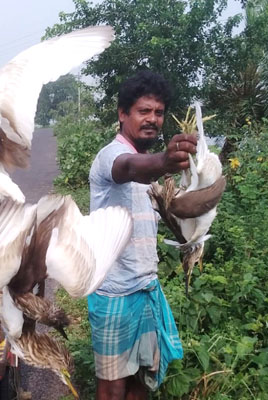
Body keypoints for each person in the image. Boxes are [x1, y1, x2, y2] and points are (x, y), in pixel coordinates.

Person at [88, 71, 197, 400]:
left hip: (146, 287)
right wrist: (165, 160)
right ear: (122, 114)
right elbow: (130, 167)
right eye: (143, 111)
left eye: (159, 113)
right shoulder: (112, 156)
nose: (152, 119)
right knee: (112, 385)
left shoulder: (153, 170)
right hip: (113, 294)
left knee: (141, 380)